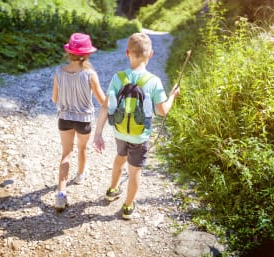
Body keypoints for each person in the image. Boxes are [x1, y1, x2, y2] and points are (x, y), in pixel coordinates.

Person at [93, 32, 180, 219]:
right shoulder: (154, 81)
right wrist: (172, 95)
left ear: (127, 53)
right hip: (140, 137)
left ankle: (113, 189)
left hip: (120, 131)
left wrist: (98, 133)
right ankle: (127, 206)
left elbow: (105, 106)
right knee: (134, 172)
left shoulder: (118, 77)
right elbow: (163, 111)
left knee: (120, 157)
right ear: (151, 54)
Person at [52, 33, 105, 211]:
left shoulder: (59, 72)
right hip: (83, 121)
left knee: (66, 153)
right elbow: (102, 101)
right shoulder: (90, 74)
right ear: (87, 54)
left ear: (69, 53)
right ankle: (81, 175)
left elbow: (54, 99)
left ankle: (61, 194)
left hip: (65, 118)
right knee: (82, 148)